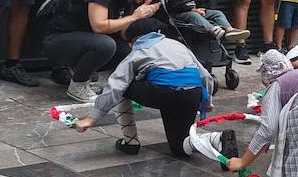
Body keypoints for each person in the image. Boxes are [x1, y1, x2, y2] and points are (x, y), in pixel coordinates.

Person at [71, 18, 212, 158]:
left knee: (124, 87)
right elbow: (205, 76)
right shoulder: (180, 46)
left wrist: (92, 118)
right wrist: (206, 102)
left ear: (134, 41)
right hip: (192, 93)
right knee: (180, 147)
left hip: (162, 93)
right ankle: (217, 140)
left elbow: (116, 84)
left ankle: (130, 142)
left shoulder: (138, 51)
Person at [45, 0, 161, 102]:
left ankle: (88, 80)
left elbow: (121, 30)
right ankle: (78, 86)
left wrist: (142, 26)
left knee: (129, 50)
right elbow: (99, 27)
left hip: (83, 39)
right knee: (105, 44)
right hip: (57, 40)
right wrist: (134, 17)